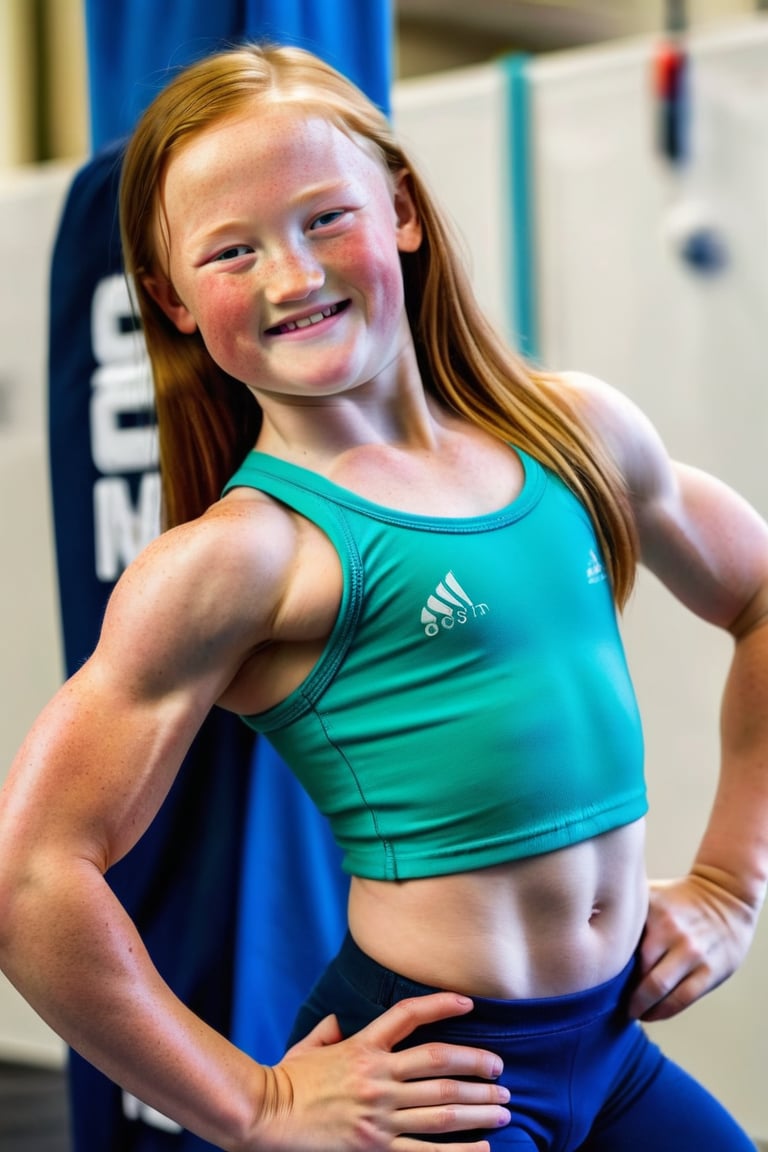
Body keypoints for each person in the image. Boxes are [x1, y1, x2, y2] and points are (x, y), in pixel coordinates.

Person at [1, 41, 767, 1152]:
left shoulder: (576, 434)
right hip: (435, 1083)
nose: (293, 276)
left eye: (325, 219)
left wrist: (731, 886)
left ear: (402, 211)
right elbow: (32, 876)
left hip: (614, 1051)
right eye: (232, 251)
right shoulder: (240, 560)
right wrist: (253, 1105)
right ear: (169, 299)